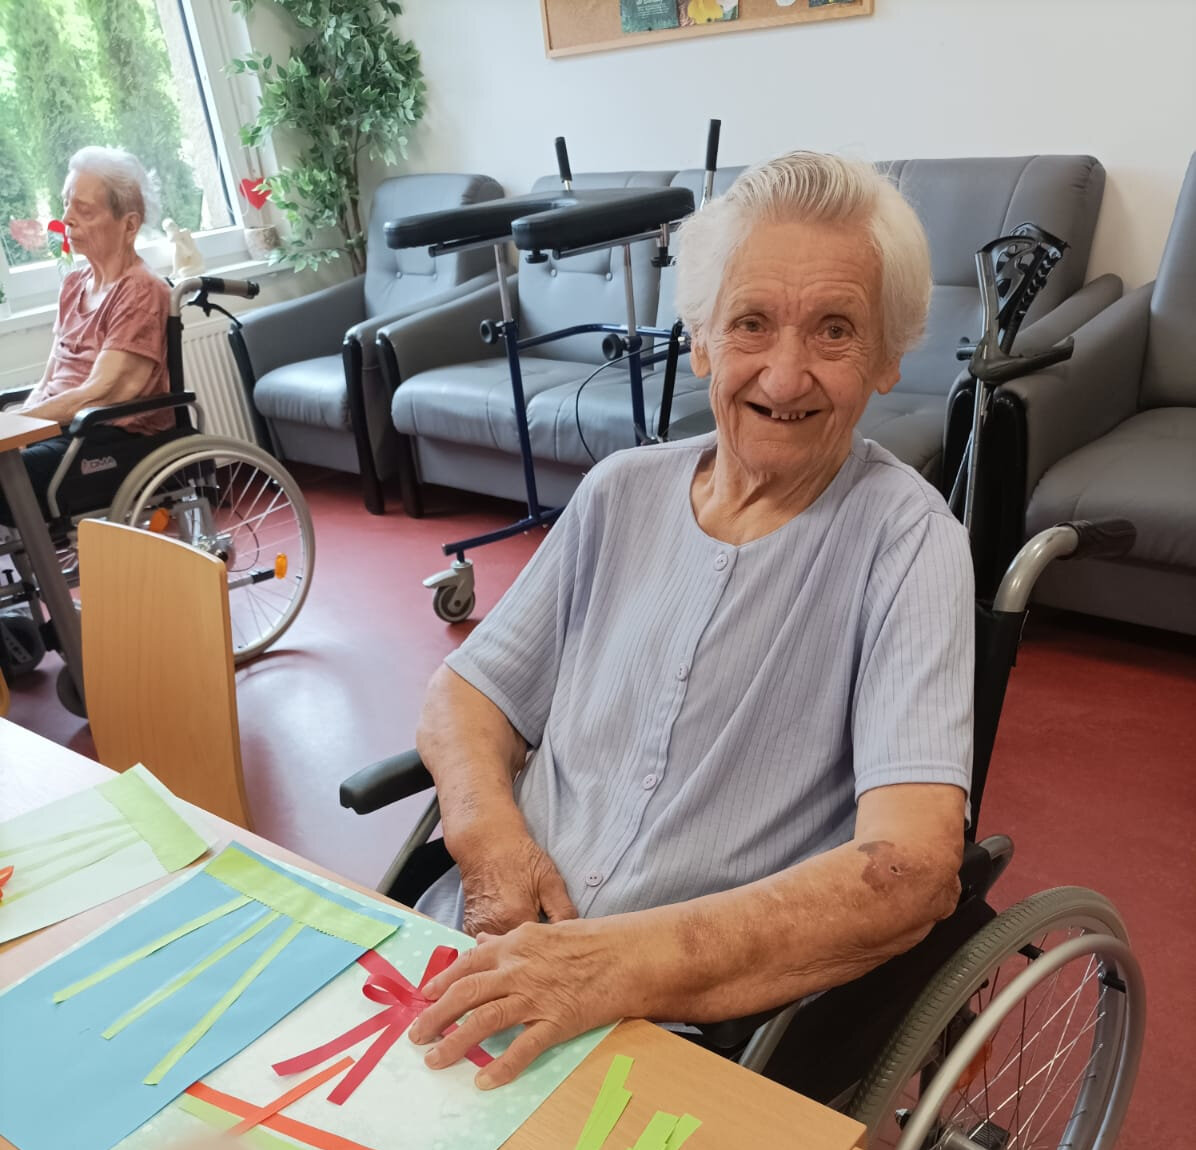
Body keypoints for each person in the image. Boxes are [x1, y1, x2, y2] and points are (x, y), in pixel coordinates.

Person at [405, 152, 975, 1090]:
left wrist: (610, 965)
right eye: (751, 323)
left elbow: (911, 867)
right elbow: (467, 693)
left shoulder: (908, 545)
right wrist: (489, 841)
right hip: (475, 947)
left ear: (887, 358)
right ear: (701, 338)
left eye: (834, 331)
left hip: (674, 1027)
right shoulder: (619, 492)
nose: (784, 376)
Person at [1, 147, 172, 524]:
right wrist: (18, 425)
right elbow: (51, 378)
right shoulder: (74, 284)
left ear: (129, 225)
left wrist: (21, 425)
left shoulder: (140, 291)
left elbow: (104, 392)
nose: (66, 219)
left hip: (105, 436)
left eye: (84, 210)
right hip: (61, 430)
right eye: (66, 204)